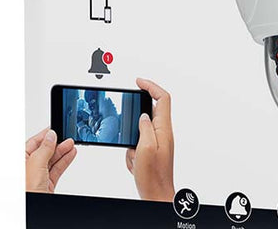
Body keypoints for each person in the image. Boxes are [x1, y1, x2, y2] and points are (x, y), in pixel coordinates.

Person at [25, 78, 175, 202]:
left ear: (103, 101)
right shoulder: (97, 118)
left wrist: (81, 125)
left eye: (94, 103)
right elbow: (92, 127)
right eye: (90, 104)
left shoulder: (111, 121)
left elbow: (94, 137)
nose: (92, 107)